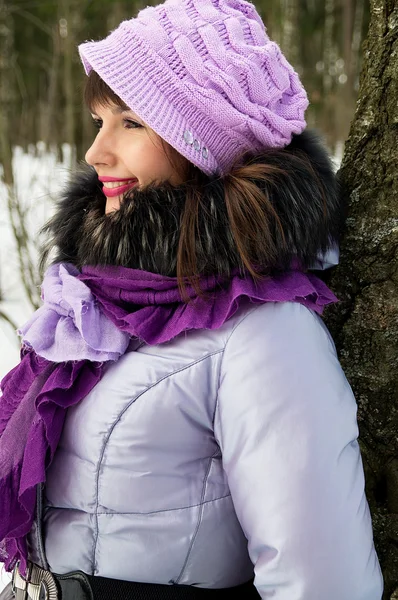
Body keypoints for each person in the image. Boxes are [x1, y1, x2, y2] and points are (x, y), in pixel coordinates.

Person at [0, 1, 383, 599]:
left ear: (205, 143)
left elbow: (323, 581)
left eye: (130, 123)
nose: (95, 152)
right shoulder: (95, 304)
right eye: (99, 121)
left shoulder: (265, 332)